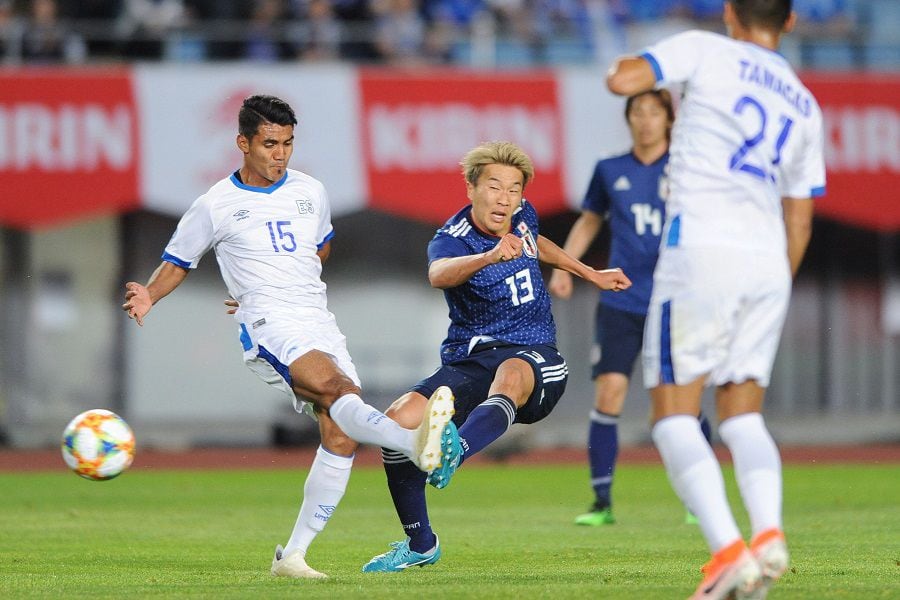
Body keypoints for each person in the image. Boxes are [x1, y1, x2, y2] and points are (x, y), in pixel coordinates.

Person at [122, 94, 459, 580]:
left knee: (341, 431)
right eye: (269, 144)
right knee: (338, 391)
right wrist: (151, 296)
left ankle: (293, 557)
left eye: (288, 143)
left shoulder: (310, 191)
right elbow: (178, 262)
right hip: (266, 322)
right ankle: (413, 443)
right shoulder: (214, 204)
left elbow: (318, 247)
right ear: (243, 143)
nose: (280, 154)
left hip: (317, 317)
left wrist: (277, 277)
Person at [606, 1, 824, 598]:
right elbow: (801, 220)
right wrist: (772, 281)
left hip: (703, 248)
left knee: (674, 412)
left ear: (730, 12)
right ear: (790, 22)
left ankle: (729, 551)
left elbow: (623, 80)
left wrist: (627, 63)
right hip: (768, 263)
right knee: (743, 413)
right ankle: (769, 534)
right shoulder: (805, 102)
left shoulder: (706, 49)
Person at [360, 141, 632, 572]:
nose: (505, 198)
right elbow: (437, 275)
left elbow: (537, 242)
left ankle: (456, 451)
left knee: (510, 371)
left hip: (535, 356)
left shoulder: (522, 218)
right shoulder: (450, 240)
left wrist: (587, 273)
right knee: (397, 422)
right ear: (471, 189)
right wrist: (488, 255)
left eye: (514, 189)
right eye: (494, 186)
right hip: (471, 361)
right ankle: (420, 543)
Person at [548, 90, 713, 527]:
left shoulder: (689, 168)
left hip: (676, 301)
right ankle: (602, 503)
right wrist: (568, 267)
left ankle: (700, 500)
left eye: (653, 112)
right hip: (621, 298)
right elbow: (589, 220)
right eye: (637, 112)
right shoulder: (610, 168)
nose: (644, 120)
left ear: (668, 120)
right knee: (610, 393)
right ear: (628, 120)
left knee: (681, 402)